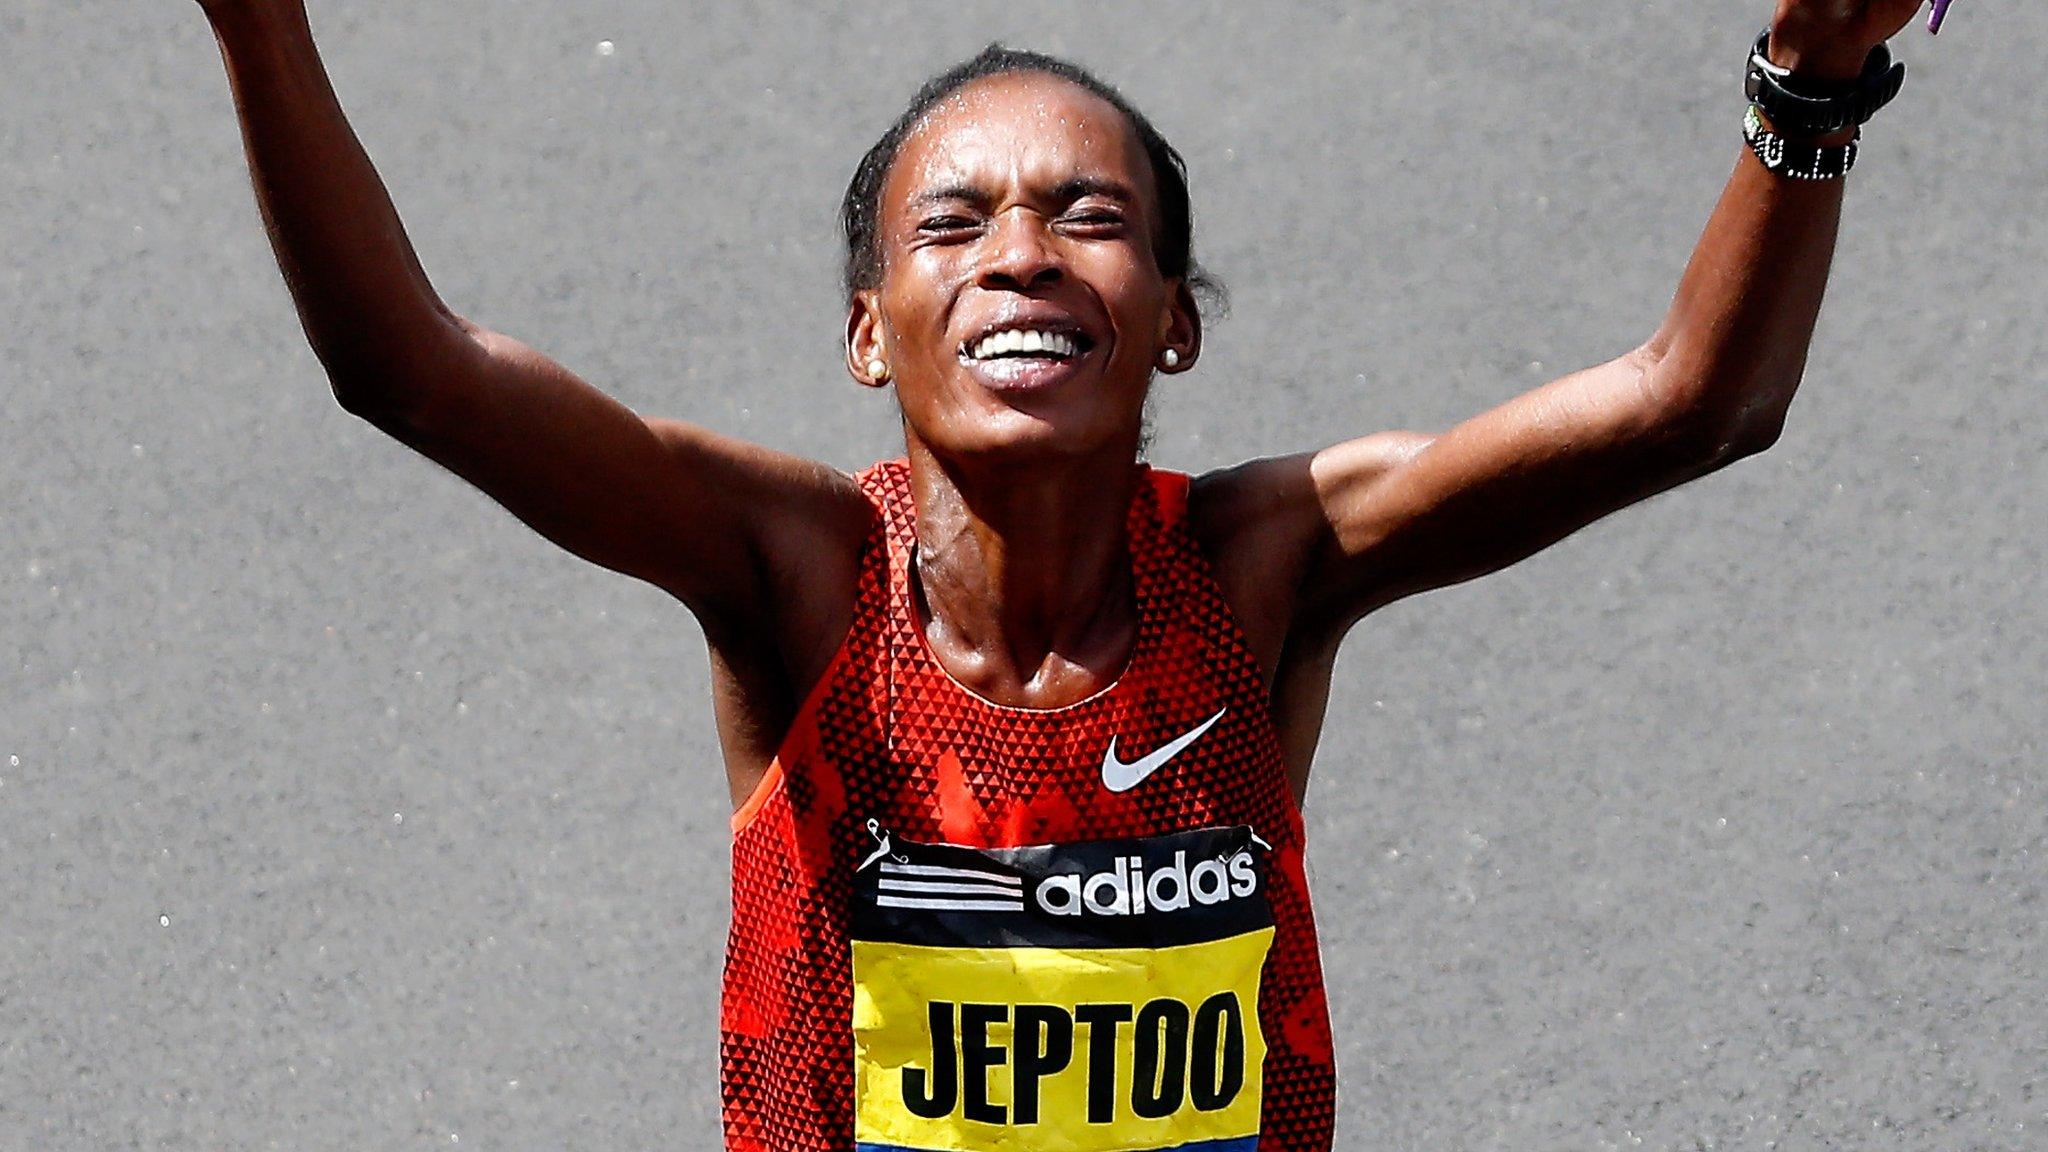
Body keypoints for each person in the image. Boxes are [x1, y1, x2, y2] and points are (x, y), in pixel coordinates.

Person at [191, 1, 1947, 1147]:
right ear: (870, 334)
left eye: (1091, 217)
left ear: (1175, 325)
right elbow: (407, 369)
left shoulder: (1266, 568)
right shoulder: (799, 578)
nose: (1022, 254)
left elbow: (1699, 402)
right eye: (952, 227)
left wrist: (1811, 85)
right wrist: (254, 23)